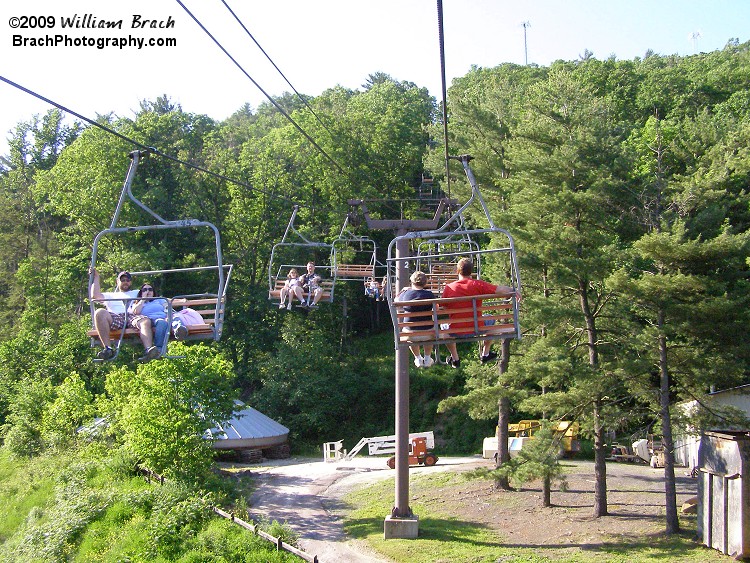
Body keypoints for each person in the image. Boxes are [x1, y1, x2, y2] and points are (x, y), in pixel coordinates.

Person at [442, 258, 519, 369]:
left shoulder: (449, 288)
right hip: (477, 327)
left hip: (456, 329)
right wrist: (514, 290)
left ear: (457, 271)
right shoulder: (478, 284)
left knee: (443, 327)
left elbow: (444, 307)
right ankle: (485, 353)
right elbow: (500, 289)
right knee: (490, 318)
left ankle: (455, 358)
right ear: (471, 271)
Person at [89, 268, 159, 362]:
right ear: (117, 281)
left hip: (132, 315)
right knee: (99, 312)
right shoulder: (111, 295)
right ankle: (108, 349)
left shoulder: (137, 292)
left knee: (145, 321)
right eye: (122, 280)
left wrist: (180, 301)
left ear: (130, 282)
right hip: (116, 316)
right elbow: (95, 296)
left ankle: (148, 350)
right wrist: (96, 277)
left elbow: (155, 297)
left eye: (128, 280)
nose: (125, 282)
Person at [127, 284, 190, 357]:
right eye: (145, 290)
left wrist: (182, 301)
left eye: (150, 289)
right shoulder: (137, 302)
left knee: (168, 319)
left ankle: (178, 332)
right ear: (141, 292)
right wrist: (143, 299)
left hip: (162, 317)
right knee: (161, 322)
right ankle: (158, 349)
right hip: (149, 320)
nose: (148, 291)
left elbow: (171, 301)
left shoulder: (159, 300)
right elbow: (136, 312)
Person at [398, 271, 436, 368]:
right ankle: (427, 358)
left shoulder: (405, 294)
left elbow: (396, 303)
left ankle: (418, 357)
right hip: (428, 333)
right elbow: (437, 308)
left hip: (410, 334)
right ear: (425, 283)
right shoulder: (429, 295)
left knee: (409, 331)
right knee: (429, 333)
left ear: (412, 281)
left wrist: (402, 291)